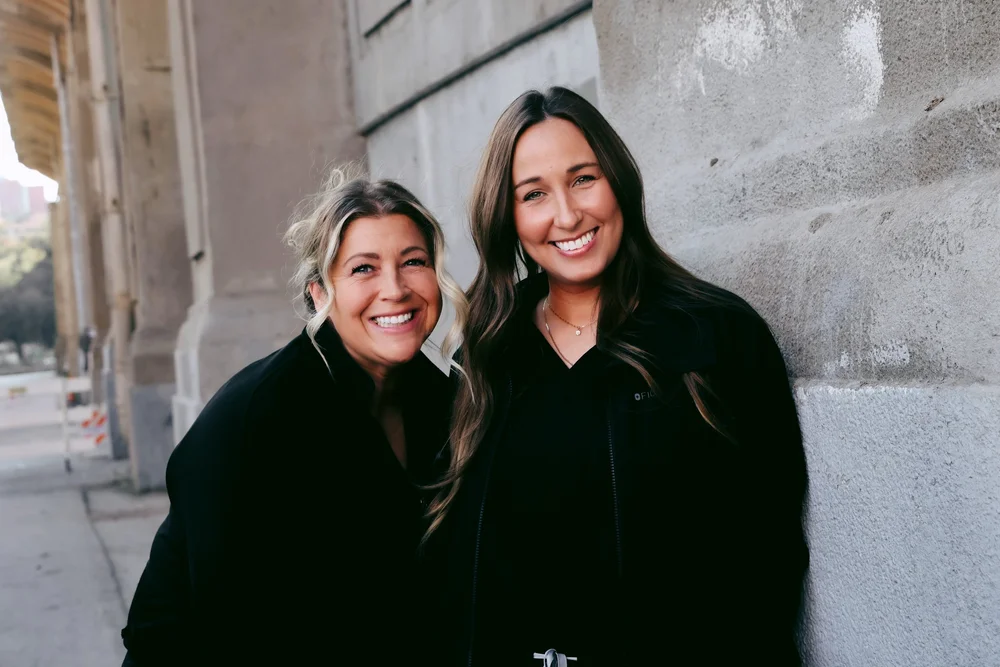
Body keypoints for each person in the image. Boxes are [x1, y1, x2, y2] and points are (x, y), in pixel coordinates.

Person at [425, 87, 809, 666]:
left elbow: (770, 547)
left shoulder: (716, 336)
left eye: (583, 178)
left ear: (618, 180)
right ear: (508, 217)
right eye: (534, 194)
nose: (567, 215)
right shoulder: (487, 357)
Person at [121, 172, 466, 666]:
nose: (395, 288)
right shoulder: (259, 417)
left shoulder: (445, 399)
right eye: (363, 269)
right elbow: (224, 626)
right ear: (319, 293)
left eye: (413, 262)